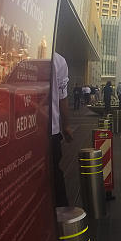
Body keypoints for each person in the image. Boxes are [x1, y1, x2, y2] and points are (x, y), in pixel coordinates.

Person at [51, 53, 73, 207]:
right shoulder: (58, 60)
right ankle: (62, 215)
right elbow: (62, 98)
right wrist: (66, 126)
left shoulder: (23, 55)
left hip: (23, 129)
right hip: (51, 131)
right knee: (54, 174)